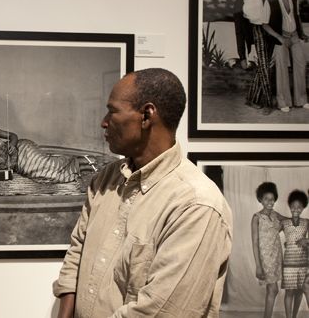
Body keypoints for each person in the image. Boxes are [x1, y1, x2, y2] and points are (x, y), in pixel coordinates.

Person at [52, 68, 233, 317]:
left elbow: (161, 311)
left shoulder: (196, 205)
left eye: (113, 111)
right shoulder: (105, 179)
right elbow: (78, 252)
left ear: (146, 115)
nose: (104, 122)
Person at [0, 103, 98, 184]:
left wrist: (13, 146)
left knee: (45, 164)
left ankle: (82, 162)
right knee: (43, 175)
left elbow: (13, 136)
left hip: (21, 149)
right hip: (16, 165)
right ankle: (80, 164)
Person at [261, 0, 309, 112]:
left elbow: (296, 16)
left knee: (301, 64)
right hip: (280, 37)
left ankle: (301, 100)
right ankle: (283, 102)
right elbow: (264, 24)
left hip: (294, 36)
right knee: (281, 68)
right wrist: (279, 38)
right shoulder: (270, 0)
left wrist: (302, 33)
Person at [235, 0, 276, 114]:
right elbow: (239, 32)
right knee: (264, 66)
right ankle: (268, 103)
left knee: (264, 66)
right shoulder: (238, 3)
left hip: (270, 30)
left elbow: (275, 5)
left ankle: (252, 98)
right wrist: (242, 56)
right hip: (256, 32)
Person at [251, 182, 283, 318]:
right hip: (265, 259)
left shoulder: (276, 215)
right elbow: (255, 242)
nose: (270, 202)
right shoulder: (256, 218)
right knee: (272, 289)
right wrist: (258, 266)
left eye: (272, 198)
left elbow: (289, 222)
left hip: (276, 257)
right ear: (260, 200)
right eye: (266, 199)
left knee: (273, 289)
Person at [279, 190, 309, 318]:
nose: (296, 209)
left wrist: (307, 240)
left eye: (299, 207)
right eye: (293, 206)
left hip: (303, 263)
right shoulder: (284, 223)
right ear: (289, 206)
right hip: (289, 263)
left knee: (300, 292)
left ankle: (294, 316)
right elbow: (271, 235)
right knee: (289, 291)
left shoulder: (307, 222)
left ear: (303, 208)